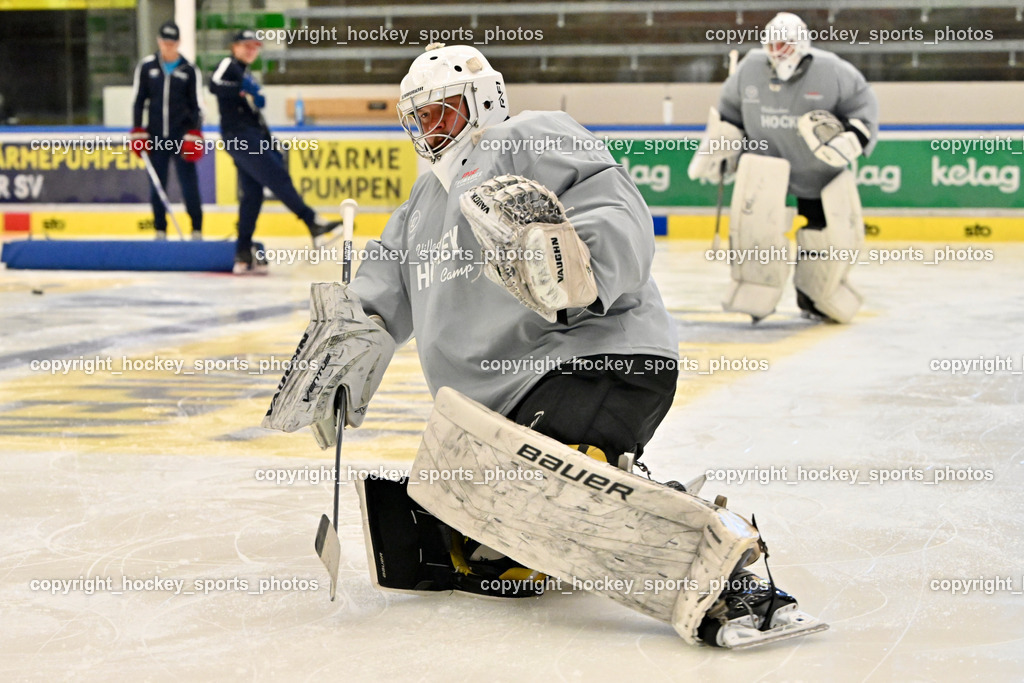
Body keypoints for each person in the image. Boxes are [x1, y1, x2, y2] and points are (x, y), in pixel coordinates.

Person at [263, 44, 827, 648]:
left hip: (589, 359)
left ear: (485, 102)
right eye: (418, 118)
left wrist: (573, 265)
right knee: (490, 555)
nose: (430, 130)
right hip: (492, 418)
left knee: (548, 491)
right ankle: (566, 509)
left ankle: (731, 579)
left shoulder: (531, 136)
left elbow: (619, 211)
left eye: (442, 112)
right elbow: (373, 302)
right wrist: (343, 355)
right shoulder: (415, 213)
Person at [689, 11, 879, 323]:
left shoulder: (832, 70)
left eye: (785, 44)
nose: (779, 52)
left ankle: (818, 295)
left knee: (825, 237)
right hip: (766, 169)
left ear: (802, 44)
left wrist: (854, 135)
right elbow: (730, 114)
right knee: (755, 232)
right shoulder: (750, 67)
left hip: (818, 173)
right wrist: (721, 146)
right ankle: (756, 293)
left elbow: (862, 103)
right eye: (773, 44)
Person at [209, 29, 341, 274]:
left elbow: (254, 113)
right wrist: (240, 88)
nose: (251, 50)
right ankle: (311, 221)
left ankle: (243, 250)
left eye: (255, 47)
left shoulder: (246, 72)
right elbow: (213, 85)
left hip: (250, 134)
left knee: (252, 194)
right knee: (277, 175)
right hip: (238, 135)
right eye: (246, 45)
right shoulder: (229, 65)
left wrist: (268, 139)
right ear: (234, 46)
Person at [130, 21, 205, 241]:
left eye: (172, 42)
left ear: (178, 43)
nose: (168, 46)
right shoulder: (147, 67)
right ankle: (160, 230)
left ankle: (197, 229)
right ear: (158, 41)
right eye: (164, 42)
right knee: (157, 185)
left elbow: (198, 106)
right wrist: (137, 131)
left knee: (189, 185)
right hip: (155, 137)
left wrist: (195, 134)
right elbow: (138, 101)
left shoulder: (189, 70)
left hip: (182, 138)